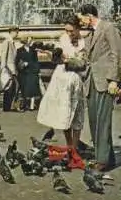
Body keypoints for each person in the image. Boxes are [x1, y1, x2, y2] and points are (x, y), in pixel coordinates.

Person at [77, 4, 121, 172]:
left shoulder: (108, 28)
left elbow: (117, 54)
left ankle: (101, 160)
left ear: (89, 15)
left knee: (103, 121)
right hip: (91, 82)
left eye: (81, 18)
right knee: (95, 121)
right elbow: (87, 60)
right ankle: (107, 157)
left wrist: (114, 80)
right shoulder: (90, 34)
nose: (80, 21)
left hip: (105, 81)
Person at [37, 18, 87, 148]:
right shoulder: (63, 38)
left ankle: (74, 148)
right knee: (63, 114)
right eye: (66, 30)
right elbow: (56, 58)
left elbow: (82, 64)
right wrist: (53, 54)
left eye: (71, 31)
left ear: (78, 28)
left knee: (76, 114)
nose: (69, 33)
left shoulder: (83, 42)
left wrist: (66, 60)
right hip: (60, 79)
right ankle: (69, 144)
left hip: (74, 79)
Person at [15, 37, 41, 111]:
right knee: (24, 90)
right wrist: (21, 65)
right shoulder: (19, 50)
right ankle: (25, 105)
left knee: (32, 90)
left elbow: (36, 61)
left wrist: (38, 71)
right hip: (23, 73)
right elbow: (17, 61)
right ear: (25, 41)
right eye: (29, 40)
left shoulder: (33, 50)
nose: (31, 41)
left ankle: (32, 106)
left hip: (32, 71)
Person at [0, 25, 21, 112]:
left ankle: (8, 106)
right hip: (8, 68)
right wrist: (4, 68)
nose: (17, 34)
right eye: (16, 32)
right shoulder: (7, 42)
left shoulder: (11, 42)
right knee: (9, 87)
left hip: (12, 68)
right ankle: (7, 107)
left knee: (12, 87)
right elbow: (4, 55)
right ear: (12, 32)